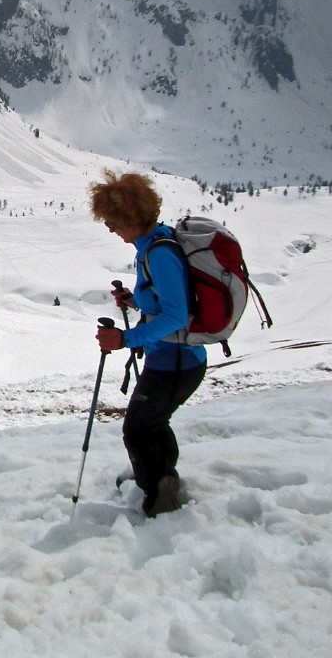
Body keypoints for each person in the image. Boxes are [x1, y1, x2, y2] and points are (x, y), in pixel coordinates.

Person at [89, 170, 205, 517]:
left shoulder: (158, 253)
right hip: (173, 360)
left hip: (176, 362)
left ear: (131, 219)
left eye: (113, 222)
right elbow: (164, 302)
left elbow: (176, 315)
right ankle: (160, 479)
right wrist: (134, 301)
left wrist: (127, 338)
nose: (111, 229)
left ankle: (160, 497)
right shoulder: (154, 245)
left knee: (138, 428)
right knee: (152, 423)